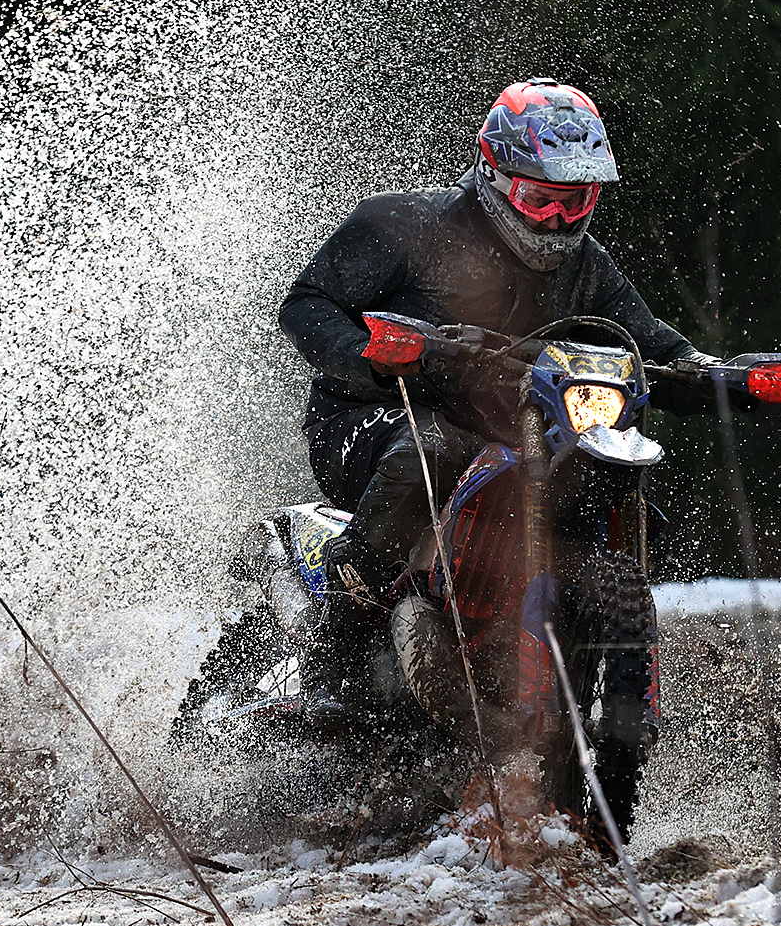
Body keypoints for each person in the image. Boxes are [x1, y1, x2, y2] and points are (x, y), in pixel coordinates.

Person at [277, 78, 716, 720]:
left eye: (575, 201)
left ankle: (562, 673)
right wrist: (372, 355)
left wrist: (714, 373)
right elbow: (306, 303)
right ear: (495, 175)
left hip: (516, 437)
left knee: (609, 479)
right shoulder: (404, 224)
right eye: (540, 199)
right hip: (375, 415)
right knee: (429, 451)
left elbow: (649, 343)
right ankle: (336, 648)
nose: (557, 220)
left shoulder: (587, 266)